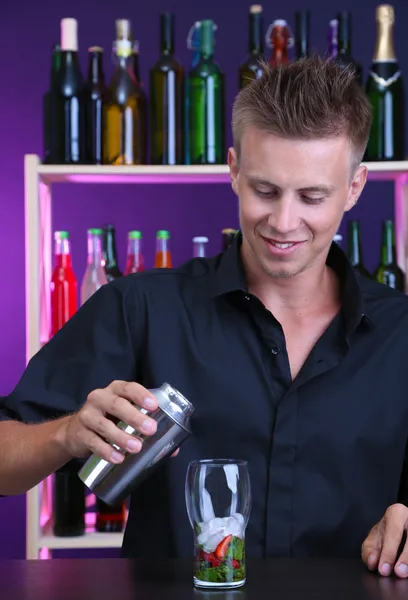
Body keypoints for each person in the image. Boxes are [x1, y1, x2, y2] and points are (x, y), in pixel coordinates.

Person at [1, 55, 408, 577]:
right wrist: (67, 434)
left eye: (312, 196)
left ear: (355, 187)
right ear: (234, 170)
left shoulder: (399, 333)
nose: (284, 222)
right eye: (265, 190)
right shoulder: (141, 308)